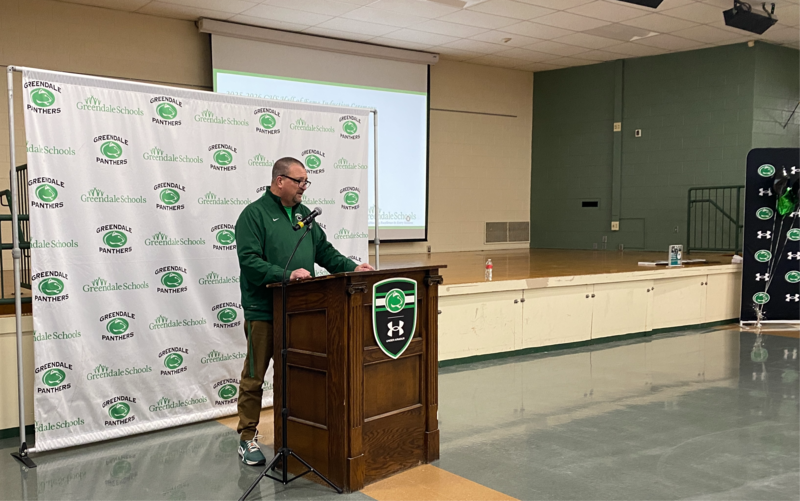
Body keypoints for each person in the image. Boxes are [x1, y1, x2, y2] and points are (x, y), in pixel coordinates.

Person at [234, 156, 374, 466]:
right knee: (255, 377)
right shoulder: (253, 215)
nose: (303, 187)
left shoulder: (304, 216)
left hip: (300, 312)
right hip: (264, 311)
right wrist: (287, 275)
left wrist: (352, 267)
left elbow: (324, 252)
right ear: (279, 181)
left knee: (294, 377)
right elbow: (250, 262)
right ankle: (247, 437)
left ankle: (292, 436)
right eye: (299, 181)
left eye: (306, 182)